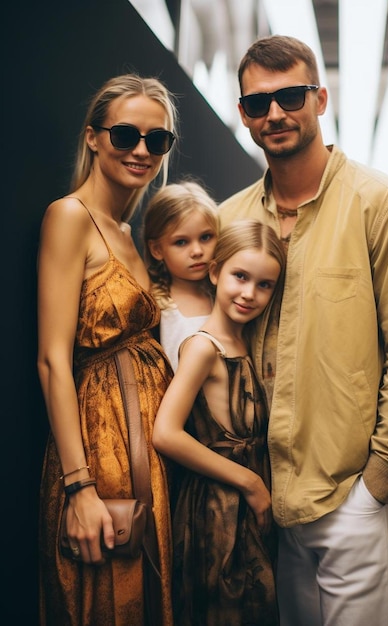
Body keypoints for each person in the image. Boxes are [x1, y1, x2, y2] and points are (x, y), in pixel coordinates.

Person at [218, 35, 388, 626]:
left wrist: (376, 486)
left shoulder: (382, 203)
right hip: (261, 494)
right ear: (243, 115)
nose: (275, 114)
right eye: (258, 103)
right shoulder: (229, 219)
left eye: (290, 96)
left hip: (348, 491)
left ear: (319, 99)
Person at [37, 73, 177, 626]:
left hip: (151, 454)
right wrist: (79, 487)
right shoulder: (70, 216)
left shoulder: (128, 229)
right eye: (125, 135)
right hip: (98, 452)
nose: (141, 150)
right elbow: (53, 359)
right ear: (93, 138)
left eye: (156, 140)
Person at [152, 219, 286, 626]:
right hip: (215, 511)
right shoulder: (202, 347)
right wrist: (250, 482)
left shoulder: (245, 343)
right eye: (240, 276)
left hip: (245, 511)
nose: (249, 293)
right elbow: (166, 433)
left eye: (264, 285)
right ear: (215, 272)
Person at [143, 180, 219, 372]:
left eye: (206, 237)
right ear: (157, 249)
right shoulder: (156, 307)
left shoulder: (226, 296)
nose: (197, 251)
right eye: (181, 242)